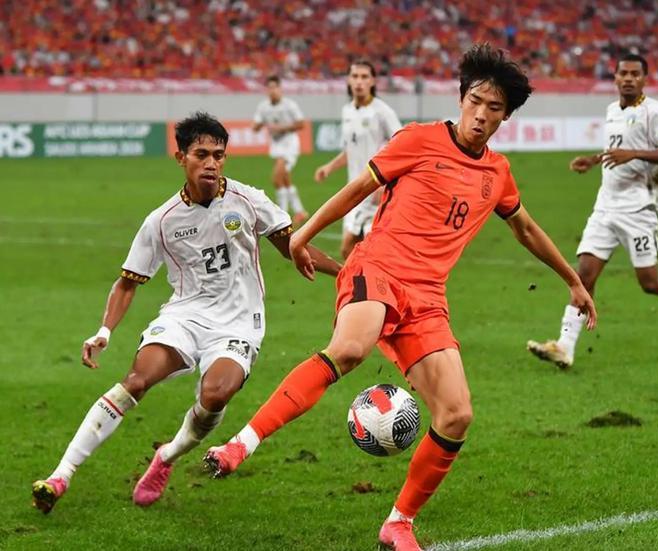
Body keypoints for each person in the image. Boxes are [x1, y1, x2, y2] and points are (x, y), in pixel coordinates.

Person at [203, 44, 596, 551]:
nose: (481, 114)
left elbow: (525, 228)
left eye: (494, 108)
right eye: (475, 101)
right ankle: (240, 444)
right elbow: (356, 190)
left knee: (456, 414)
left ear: (506, 116)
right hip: (378, 268)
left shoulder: (497, 173)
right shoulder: (418, 139)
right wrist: (302, 235)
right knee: (350, 349)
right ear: (461, 99)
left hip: (427, 297)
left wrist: (572, 280)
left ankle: (398, 523)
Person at [31, 112, 340, 514]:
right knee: (136, 380)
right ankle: (61, 475)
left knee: (215, 394)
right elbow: (127, 282)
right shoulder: (161, 221)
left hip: (239, 323)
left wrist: (345, 271)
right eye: (201, 154)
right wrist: (104, 331)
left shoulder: (247, 200)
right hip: (185, 317)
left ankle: (166, 456)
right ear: (181, 158)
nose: (211, 163)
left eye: (218, 155)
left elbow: (293, 244)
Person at [527, 54, 658, 371]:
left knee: (650, 282)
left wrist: (634, 154)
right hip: (606, 205)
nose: (629, 79)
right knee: (584, 274)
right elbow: (616, 149)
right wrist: (594, 160)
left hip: (640, 208)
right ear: (615, 78)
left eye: (635, 74)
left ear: (644, 79)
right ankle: (564, 346)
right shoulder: (612, 110)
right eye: (623, 73)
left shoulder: (655, 112)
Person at [314, 60, 402, 259]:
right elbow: (350, 150)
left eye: (364, 77)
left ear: (372, 81)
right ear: (348, 80)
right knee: (351, 253)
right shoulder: (347, 111)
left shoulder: (382, 112)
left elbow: (402, 146)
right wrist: (329, 167)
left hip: (374, 190)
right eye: (355, 76)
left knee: (361, 251)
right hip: (353, 190)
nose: (359, 81)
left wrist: (384, 181)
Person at [253, 75, 309, 225]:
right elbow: (256, 126)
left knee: (276, 179)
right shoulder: (263, 107)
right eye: (270, 88)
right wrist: (258, 125)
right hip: (276, 145)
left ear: (280, 89)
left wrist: (281, 128)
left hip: (290, 144)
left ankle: (281, 214)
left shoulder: (289, 105)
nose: (272, 91)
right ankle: (300, 211)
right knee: (285, 179)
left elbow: (301, 123)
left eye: (275, 87)